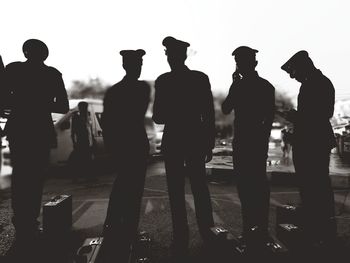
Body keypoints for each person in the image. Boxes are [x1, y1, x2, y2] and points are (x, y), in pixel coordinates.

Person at [152, 36, 215, 261]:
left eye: (170, 54)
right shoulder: (200, 78)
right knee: (200, 187)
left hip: (174, 140)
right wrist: (210, 141)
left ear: (171, 57)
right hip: (195, 138)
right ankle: (209, 231)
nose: (169, 58)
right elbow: (208, 113)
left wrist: (173, 110)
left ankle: (181, 237)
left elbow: (158, 117)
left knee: (175, 191)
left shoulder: (163, 81)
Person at [3, 39, 69, 250]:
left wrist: (23, 100)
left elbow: (3, 100)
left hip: (20, 128)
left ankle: (23, 224)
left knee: (21, 176)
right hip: (40, 129)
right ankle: (29, 223)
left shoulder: (13, 70)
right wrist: (41, 102)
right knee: (35, 178)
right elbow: (63, 106)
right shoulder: (52, 74)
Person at [281, 50, 337, 246]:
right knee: (312, 186)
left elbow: (321, 115)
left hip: (314, 144)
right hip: (310, 142)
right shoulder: (313, 82)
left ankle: (322, 231)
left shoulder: (317, 83)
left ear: (304, 66)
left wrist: (296, 117)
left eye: (293, 72)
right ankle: (318, 228)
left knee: (316, 186)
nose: (293, 77)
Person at [222, 46, 275, 251]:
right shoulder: (265, 86)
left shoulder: (240, 86)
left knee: (246, 188)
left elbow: (226, 108)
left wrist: (234, 85)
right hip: (256, 143)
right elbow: (268, 120)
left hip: (244, 142)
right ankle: (260, 230)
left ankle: (249, 230)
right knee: (258, 187)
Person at [100, 49, 150, 263]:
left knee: (122, 186)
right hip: (136, 144)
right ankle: (128, 230)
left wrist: (112, 147)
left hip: (123, 145)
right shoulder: (142, 88)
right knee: (133, 189)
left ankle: (113, 226)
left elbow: (108, 122)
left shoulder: (114, 92)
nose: (139, 68)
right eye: (137, 64)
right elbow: (138, 113)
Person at [70, 101, 95, 182]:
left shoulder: (87, 117)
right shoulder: (76, 117)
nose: (85, 109)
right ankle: (76, 177)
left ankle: (89, 177)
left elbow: (89, 130)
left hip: (88, 142)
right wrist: (74, 142)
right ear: (80, 108)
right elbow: (73, 131)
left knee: (87, 160)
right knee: (80, 160)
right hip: (81, 142)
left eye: (86, 107)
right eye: (84, 107)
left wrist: (92, 140)